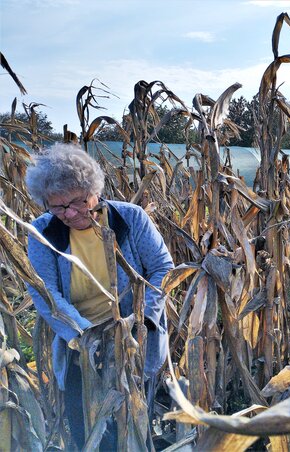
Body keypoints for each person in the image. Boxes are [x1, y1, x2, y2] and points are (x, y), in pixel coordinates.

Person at [25, 143, 174, 449]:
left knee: (134, 423)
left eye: (78, 202)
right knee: (88, 431)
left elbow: (163, 269)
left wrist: (140, 320)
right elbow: (45, 293)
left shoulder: (129, 220)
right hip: (79, 347)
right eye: (58, 207)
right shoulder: (41, 232)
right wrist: (84, 335)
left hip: (133, 342)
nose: (70, 213)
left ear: (94, 190)